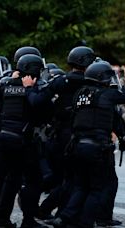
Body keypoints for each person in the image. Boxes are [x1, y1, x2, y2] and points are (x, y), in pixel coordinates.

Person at [50, 60, 125, 228]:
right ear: (102, 78)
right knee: (96, 189)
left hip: (76, 146)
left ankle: (65, 217)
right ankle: (85, 223)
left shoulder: (80, 93)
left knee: (80, 186)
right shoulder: (106, 94)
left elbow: (123, 91)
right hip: (96, 148)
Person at [0, 53, 57, 228]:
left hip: (3, 137)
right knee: (34, 181)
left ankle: (1, 218)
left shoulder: (5, 85)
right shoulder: (34, 89)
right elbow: (46, 111)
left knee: (11, 180)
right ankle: (28, 221)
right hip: (23, 140)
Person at [38, 46, 96, 220]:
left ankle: (56, 211)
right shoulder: (90, 82)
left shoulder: (61, 81)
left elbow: (42, 99)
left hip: (57, 134)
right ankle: (59, 213)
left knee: (65, 178)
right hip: (76, 135)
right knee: (73, 179)